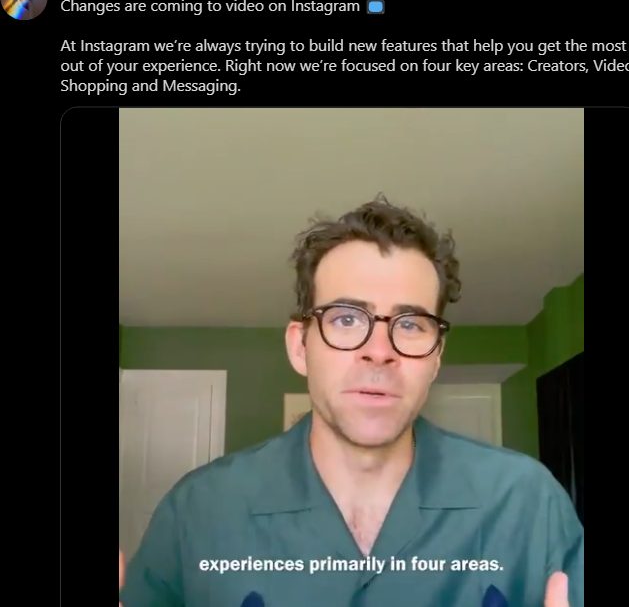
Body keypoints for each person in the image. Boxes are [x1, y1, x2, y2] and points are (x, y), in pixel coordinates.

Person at [119, 195, 583, 606]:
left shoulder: (526, 500)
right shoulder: (198, 509)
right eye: (345, 319)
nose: (379, 351)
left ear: (436, 357)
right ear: (300, 347)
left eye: (409, 324)